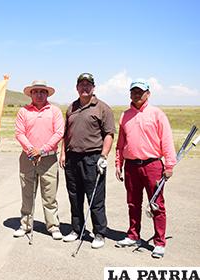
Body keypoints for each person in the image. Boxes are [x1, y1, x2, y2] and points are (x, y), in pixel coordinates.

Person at [115, 79, 176, 258]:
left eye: (140, 91)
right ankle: (133, 235)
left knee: (157, 204)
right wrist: (118, 163)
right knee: (133, 203)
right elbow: (120, 144)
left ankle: (159, 242)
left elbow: (166, 140)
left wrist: (169, 164)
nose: (136, 94)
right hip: (131, 166)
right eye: (133, 91)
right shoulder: (124, 115)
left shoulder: (157, 114)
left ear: (148, 93)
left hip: (153, 165)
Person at [60, 73, 115, 249]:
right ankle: (77, 230)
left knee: (95, 198)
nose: (85, 88)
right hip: (72, 158)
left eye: (88, 85)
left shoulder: (102, 108)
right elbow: (66, 134)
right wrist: (63, 154)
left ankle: (99, 233)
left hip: (93, 158)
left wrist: (104, 156)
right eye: (82, 85)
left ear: (93, 87)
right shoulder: (71, 107)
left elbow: (109, 134)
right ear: (77, 87)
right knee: (74, 197)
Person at [14, 80, 65, 240]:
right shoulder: (23, 111)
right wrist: (32, 150)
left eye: (42, 91)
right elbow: (19, 133)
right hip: (27, 158)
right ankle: (25, 225)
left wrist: (41, 150)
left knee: (49, 194)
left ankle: (53, 226)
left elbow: (59, 133)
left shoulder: (54, 111)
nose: (39, 94)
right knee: (27, 192)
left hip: (48, 159)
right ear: (31, 94)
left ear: (47, 93)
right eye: (35, 91)